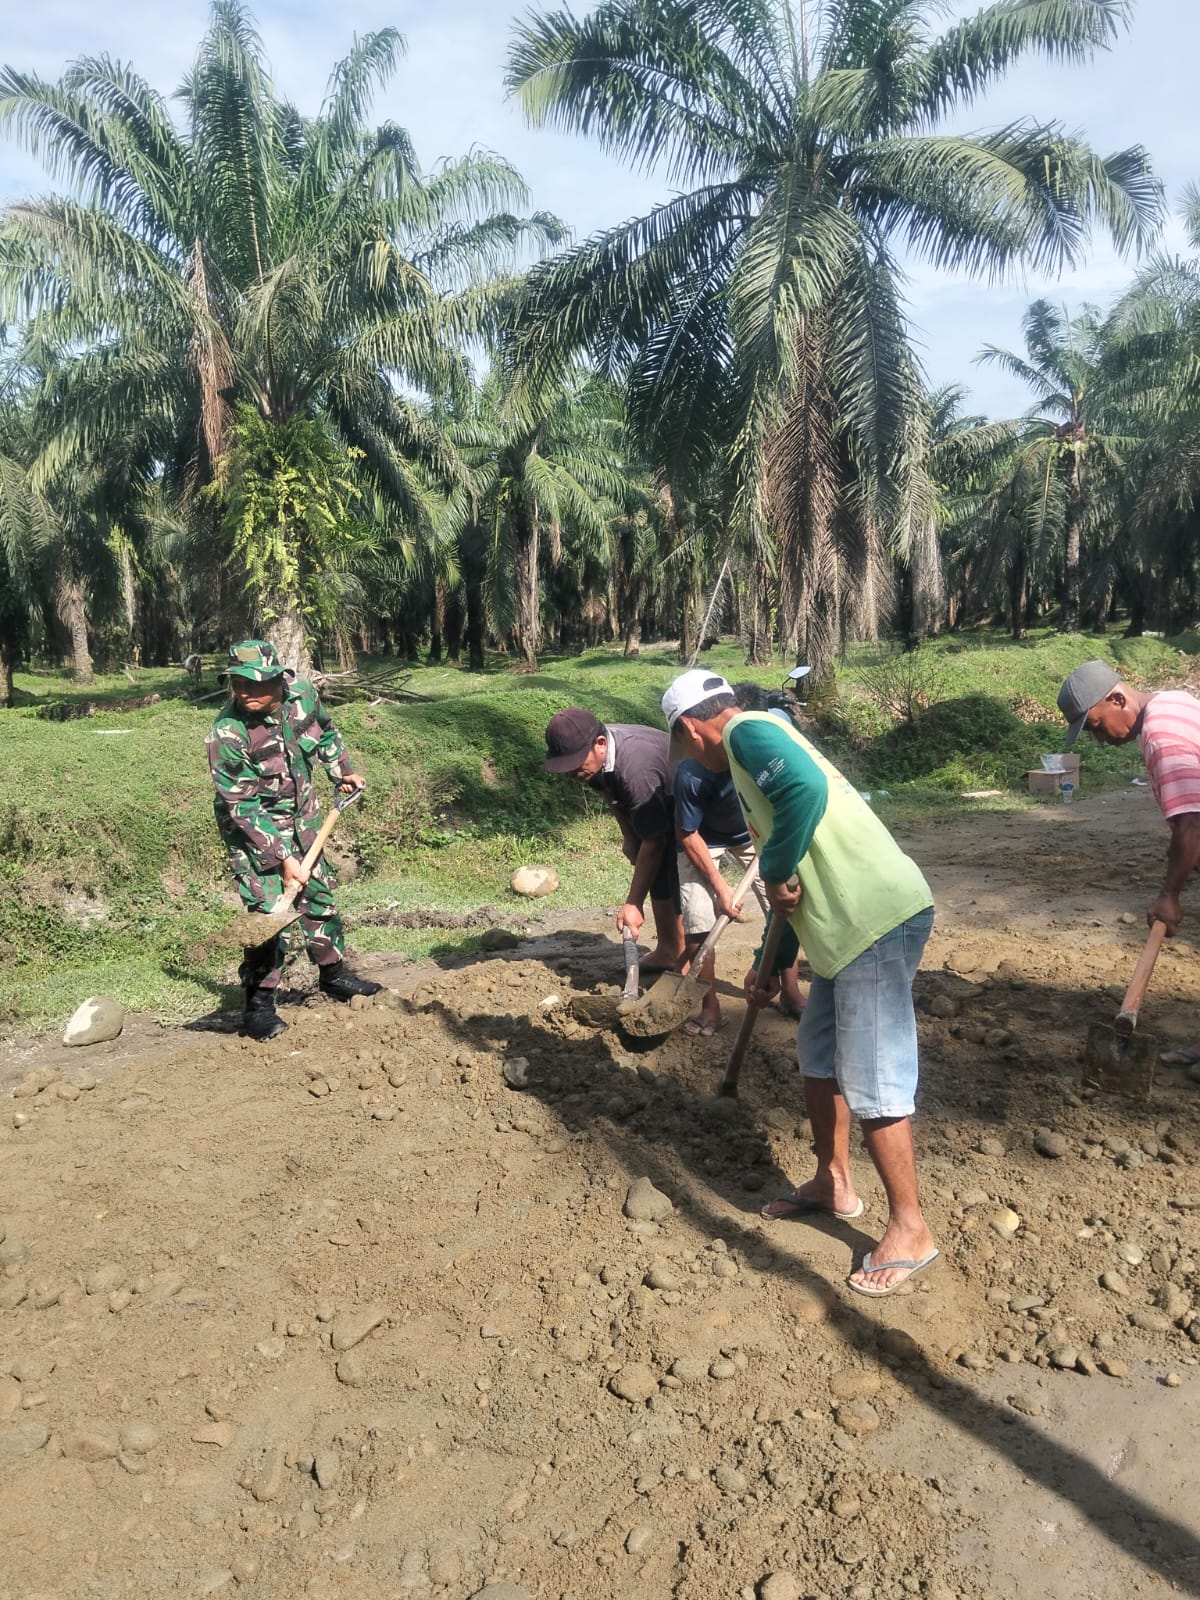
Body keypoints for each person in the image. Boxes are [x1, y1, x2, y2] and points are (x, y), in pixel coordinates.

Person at [662, 670, 938, 1298]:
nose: (688, 759)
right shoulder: (762, 746)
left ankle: (911, 1228)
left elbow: (801, 803)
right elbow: (791, 890)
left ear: (691, 729)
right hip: (841, 932)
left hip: (872, 919)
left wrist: (777, 867)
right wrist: (769, 963)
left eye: (682, 747)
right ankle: (833, 1181)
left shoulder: (746, 734)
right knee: (818, 1055)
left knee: (872, 1074)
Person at [207, 640, 382, 1041]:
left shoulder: (302, 693)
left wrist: (342, 770)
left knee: (318, 897)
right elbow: (242, 806)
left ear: (278, 679)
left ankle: (333, 975)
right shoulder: (226, 734)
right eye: (238, 684)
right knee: (270, 914)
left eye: (255, 684)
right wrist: (283, 857)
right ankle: (258, 1005)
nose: (246, 692)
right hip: (255, 832)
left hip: (304, 817)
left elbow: (325, 731)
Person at [1059, 659, 1200, 1061]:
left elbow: (1192, 822)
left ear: (1117, 700)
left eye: (1095, 725)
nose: (1098, 739)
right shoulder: (1174, 702)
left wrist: (1169, 895)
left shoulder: (1162, 733)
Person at [673, 680, 806, 1036]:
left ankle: (790, 992)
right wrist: (720, 888)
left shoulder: (760, 752)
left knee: (786, 906)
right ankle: (709, 1007)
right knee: (698, 920)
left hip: (752, 831)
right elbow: (688, 835)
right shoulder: (690, 773)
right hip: (703, 838)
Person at [544, 707, 685, 971]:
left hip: (692, 805)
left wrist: (634, 903)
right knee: (655, 868)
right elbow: (607, 787)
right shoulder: (595, 758)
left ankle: (683, 954)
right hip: (655, 800)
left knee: (673, 869)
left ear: (600, 744)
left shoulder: (635, 768)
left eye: (575, 764)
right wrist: (629, 834)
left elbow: (655, 842)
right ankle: (668, 950)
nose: (571, 773)